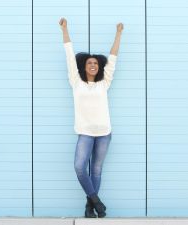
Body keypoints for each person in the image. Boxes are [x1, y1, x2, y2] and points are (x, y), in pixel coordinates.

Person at [59, 17, 123, 218]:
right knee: (80, 167)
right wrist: (65, 30)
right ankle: (96, 201)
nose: (93, 65)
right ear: (84, 66)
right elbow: (70, 56)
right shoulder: (76, 82)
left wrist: (118, 33)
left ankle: (89, 208)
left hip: (104, 133)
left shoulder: (104, 83)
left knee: (96, 170)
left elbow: (113, 57)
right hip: (85, 133)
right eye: (90, 63)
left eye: (96, 62)